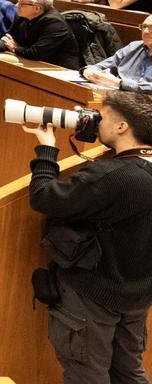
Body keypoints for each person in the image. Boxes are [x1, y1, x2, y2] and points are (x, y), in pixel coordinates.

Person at [23, 91, 152, 383]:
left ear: (122, 126)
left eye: (101, 118)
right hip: (137, 294)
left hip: (94, 293)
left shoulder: (116, 176)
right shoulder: (135, 170)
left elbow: (44, 196)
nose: (95, 122)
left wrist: (46, 149)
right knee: (128, 373)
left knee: (88, 377)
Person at [0, 0, 79, 68]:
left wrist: (15, 49)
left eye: (21, 4)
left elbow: (36, 53)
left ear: (37, 8)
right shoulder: (21, 15)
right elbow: (10, 37)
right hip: (30, 61)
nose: (16, 6)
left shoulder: (55, 23)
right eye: (18, 1)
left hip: (58, 69)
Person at [83, 15, 152, 92]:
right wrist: (88, 71)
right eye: (144, 27)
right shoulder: (133, 47)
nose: (145, 31)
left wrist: (118, 83)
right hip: (119, 95)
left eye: (151, 28)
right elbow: (99, 66)